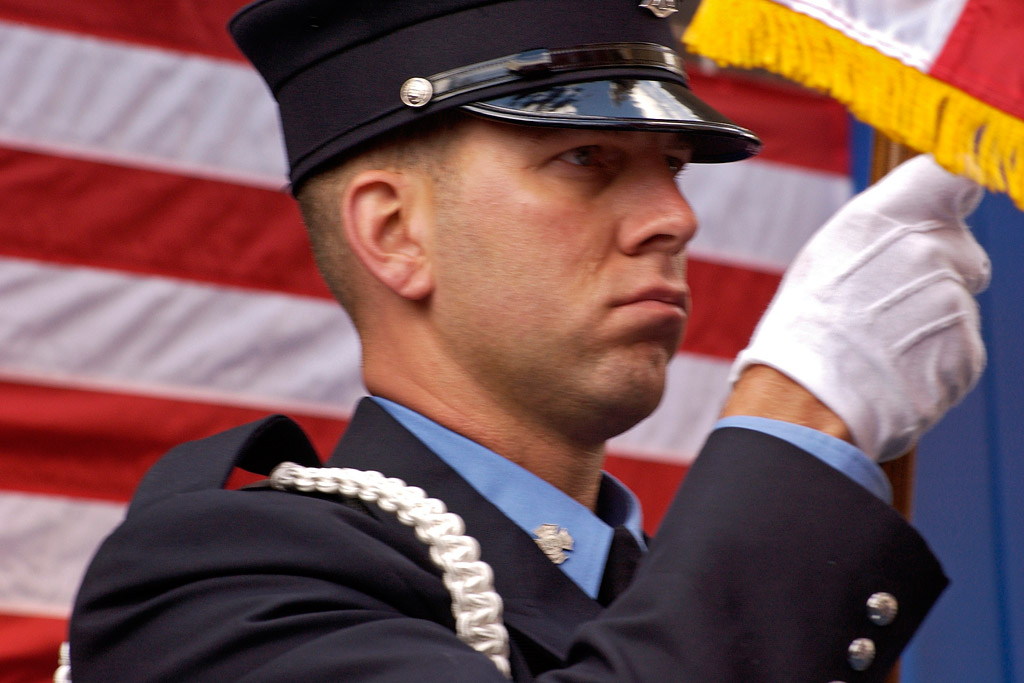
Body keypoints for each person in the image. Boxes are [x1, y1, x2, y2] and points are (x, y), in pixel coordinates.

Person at [67, 1, 990, 681]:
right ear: (394, 232)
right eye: (586, 159)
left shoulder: (666, 589)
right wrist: (800, 415)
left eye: (671, 167)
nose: (674, 217)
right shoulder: (209, 583)